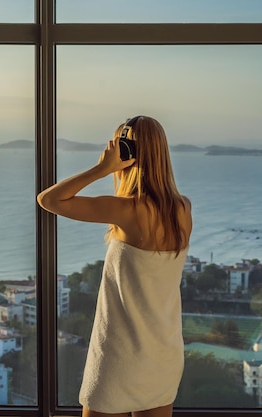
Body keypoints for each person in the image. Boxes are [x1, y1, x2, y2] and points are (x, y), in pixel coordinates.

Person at [37, 116, 192, 417]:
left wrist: (103, 169)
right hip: (164, 351)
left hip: (120, 354)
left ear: (126, 153)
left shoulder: (127, 210)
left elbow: (49, 199)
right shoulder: (183, 209)